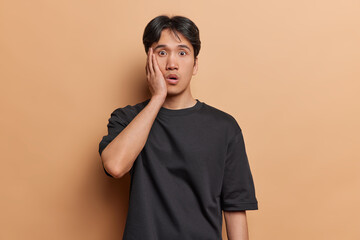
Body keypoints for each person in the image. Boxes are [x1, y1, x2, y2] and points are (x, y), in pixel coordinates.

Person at [98, 15, 258, 240]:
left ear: (195, 64)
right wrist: (157, 98)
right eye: (162, 53)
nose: (172, 64)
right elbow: (115, 166)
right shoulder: (127, 118)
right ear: (149, 60)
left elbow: (235, 208)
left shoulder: (224, 127)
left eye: (183, 53)